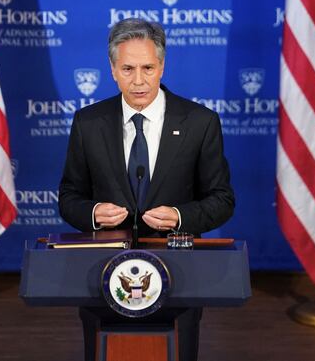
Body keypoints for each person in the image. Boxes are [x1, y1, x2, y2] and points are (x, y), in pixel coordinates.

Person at [58, 18, 235, 361]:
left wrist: (181, 215)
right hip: (103, 274)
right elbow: (69, 197)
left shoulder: (200, 122)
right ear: (112, 69)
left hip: (178, 274)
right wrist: (93, 213)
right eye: (127, 68)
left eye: (148, 68)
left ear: (162, 66)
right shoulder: (88, 123)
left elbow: (222, 200)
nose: (138, 80)